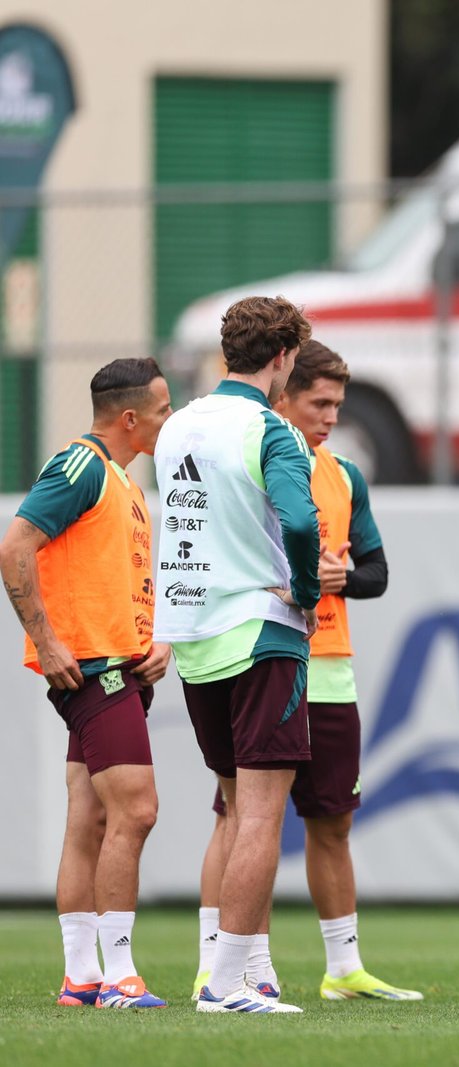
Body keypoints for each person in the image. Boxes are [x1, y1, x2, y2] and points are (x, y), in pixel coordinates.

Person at [192, 340, 418, 1003]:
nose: (331, 415)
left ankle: (342, 966)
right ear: (282, 393)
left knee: (333, 822)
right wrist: (294, 574)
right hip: (264, 654)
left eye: (339, 404)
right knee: (239, 814)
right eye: (320, 402)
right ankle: (223, 963)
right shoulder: (253, 454)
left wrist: (338, 576)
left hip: (330, 669)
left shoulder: (345, 473)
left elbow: (375, 572)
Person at [156, 295, 322, 1015]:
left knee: (231, 806)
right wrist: (308, 590)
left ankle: (237, 969)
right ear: (283, 359)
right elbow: (302, 520)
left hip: (192, 633)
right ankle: (225, 984)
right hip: (260, 628)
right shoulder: (271, 428)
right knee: (258, 815)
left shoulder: (177, 425)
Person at [1, 359, 172, 1009]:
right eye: (162, 409)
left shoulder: (123, 481)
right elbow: (14, 546)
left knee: (92, 818)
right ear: (130, 418)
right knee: (138, 808)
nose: (169, 419)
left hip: (118, 664)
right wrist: (46, 641)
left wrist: (151, 640)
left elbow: (113, 580)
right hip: (92, 669)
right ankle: (121, 975)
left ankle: (81, 977)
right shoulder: (81, 466)